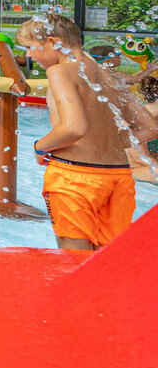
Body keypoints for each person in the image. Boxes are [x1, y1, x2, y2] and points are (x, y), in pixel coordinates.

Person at [18, 13, 158, 249]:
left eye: (31, 47)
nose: (28, 55)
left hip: (75, 178)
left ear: (53, 42)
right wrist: (111, 139)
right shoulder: (108, 74)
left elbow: (73, 127)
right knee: (103, 264)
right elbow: (149, 128)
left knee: (75, 263)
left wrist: (39, 147)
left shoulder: (60, 71)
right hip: (118, 178)